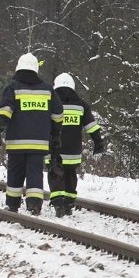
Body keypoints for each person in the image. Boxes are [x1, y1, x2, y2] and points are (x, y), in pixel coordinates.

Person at [0, 53, 63, 215]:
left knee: (15, 174)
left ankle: (12, 205)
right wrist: (55, 133)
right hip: (38, 143)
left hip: (16, 142)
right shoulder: (47, 90)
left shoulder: (13, 88)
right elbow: (58, 114)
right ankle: (34, 205)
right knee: (35, 175)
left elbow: (6, 110)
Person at [49, 73, 106, 217]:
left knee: (55, 174)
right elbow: (91, 126)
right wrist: (98, 141)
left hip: (55, 149)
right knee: (70, 175)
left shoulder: (51, 103)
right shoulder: (81, 105)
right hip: (73, 150)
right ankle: (68, 203)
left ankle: (58, 203)